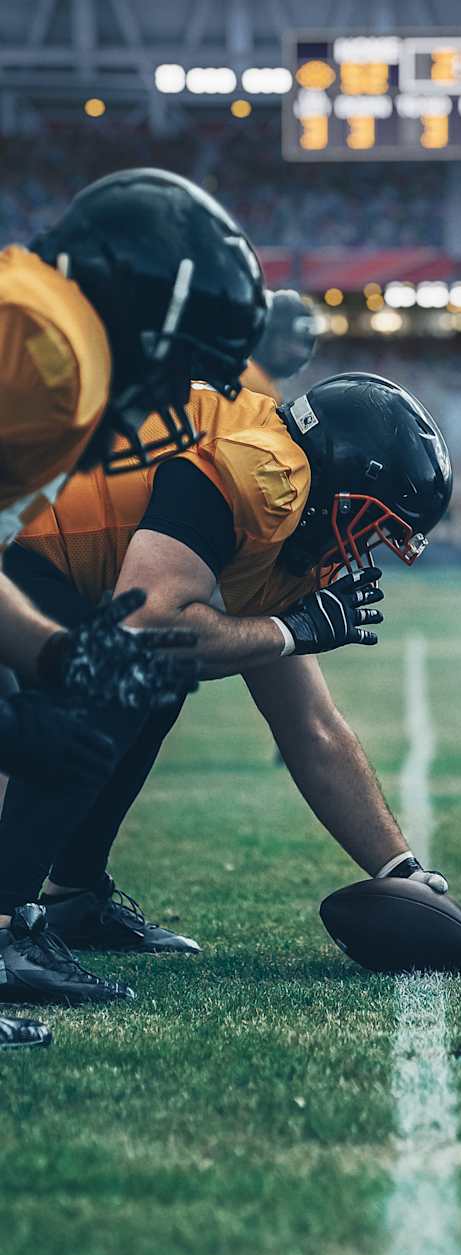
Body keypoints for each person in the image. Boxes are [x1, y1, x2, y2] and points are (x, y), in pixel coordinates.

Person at [0, 372, 453, 1006]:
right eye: (371, 525)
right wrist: (290, 630)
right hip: (19, 536)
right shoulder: (269, 473)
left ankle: (73, 897)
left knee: (152, 681)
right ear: (344, 484)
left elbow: (312, 726)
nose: (364, 550)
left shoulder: (288, 509)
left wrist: (403, 872)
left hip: (47, 552)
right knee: (130, 671)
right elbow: (147, 627)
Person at [0, 167, 267, 1044]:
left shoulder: (44, 322)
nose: (169, 397)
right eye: (177, 361)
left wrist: (46, 656)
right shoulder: (46, 346)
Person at [240, 289, 320, 402]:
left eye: (303, 343)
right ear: (264, 335)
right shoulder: (257, 389)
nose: (298, 350)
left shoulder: (261, 385)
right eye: (287, 339)